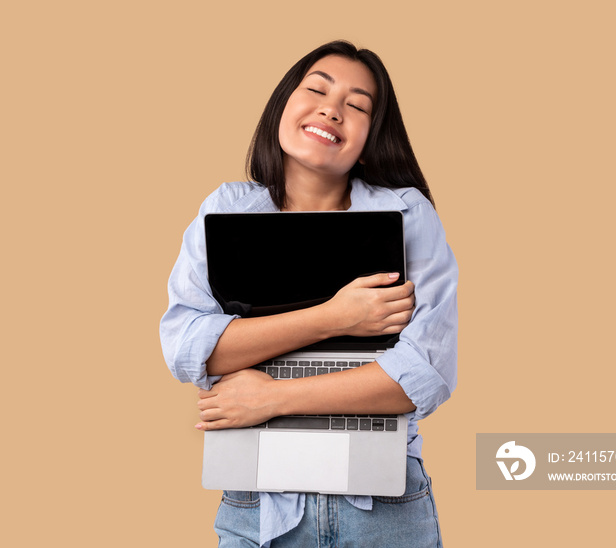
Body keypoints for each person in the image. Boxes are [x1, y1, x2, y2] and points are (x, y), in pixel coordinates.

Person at [160, 40, 458, 548]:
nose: (332, 109)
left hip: (384, 511)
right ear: (284, 104)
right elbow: (190, 349)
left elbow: (422, 377)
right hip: (257, 507)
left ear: (371, 135)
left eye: (357, 105)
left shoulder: (409, 214)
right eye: (317, 89)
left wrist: (272, 397)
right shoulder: (226, 209)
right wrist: (336, 317)